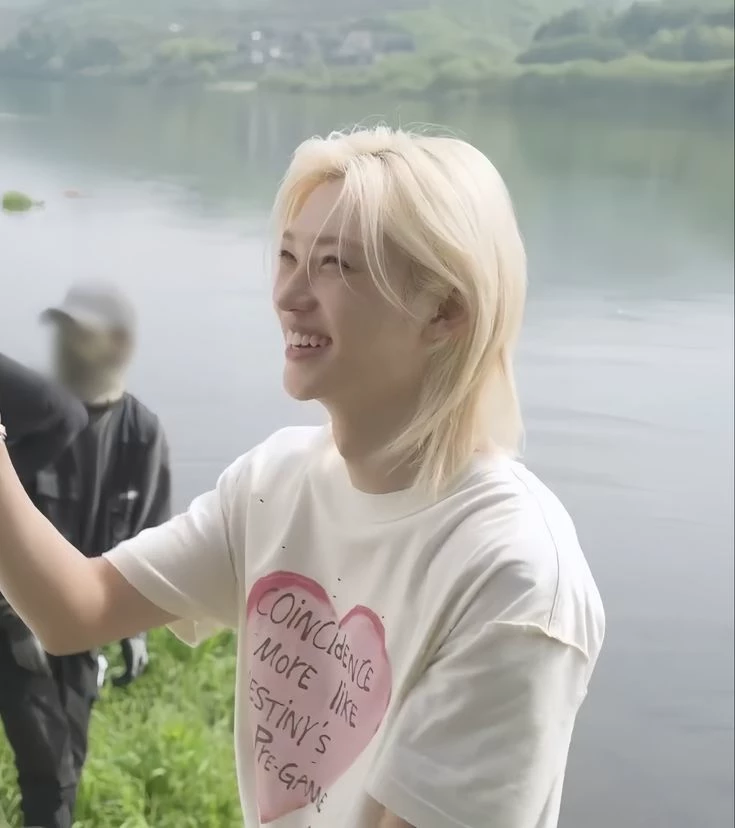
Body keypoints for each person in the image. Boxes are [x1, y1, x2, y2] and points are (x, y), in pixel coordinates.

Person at [0, 127, 605, 828]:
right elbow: (76, 610)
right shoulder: (276, 481)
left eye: (335, 266)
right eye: (288, 256)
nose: (288, 295)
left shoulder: (514, 578)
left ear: (445, 310)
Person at [0, 281, 171, 828]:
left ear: (118, 343)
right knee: (43, 766)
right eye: (63, 332)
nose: (67, 345)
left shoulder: (142, 434)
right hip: (13, 619)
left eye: (80, 333)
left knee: (64, 763)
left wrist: (135, 631)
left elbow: (152, 537)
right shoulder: (32, 415)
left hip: (83, 628)